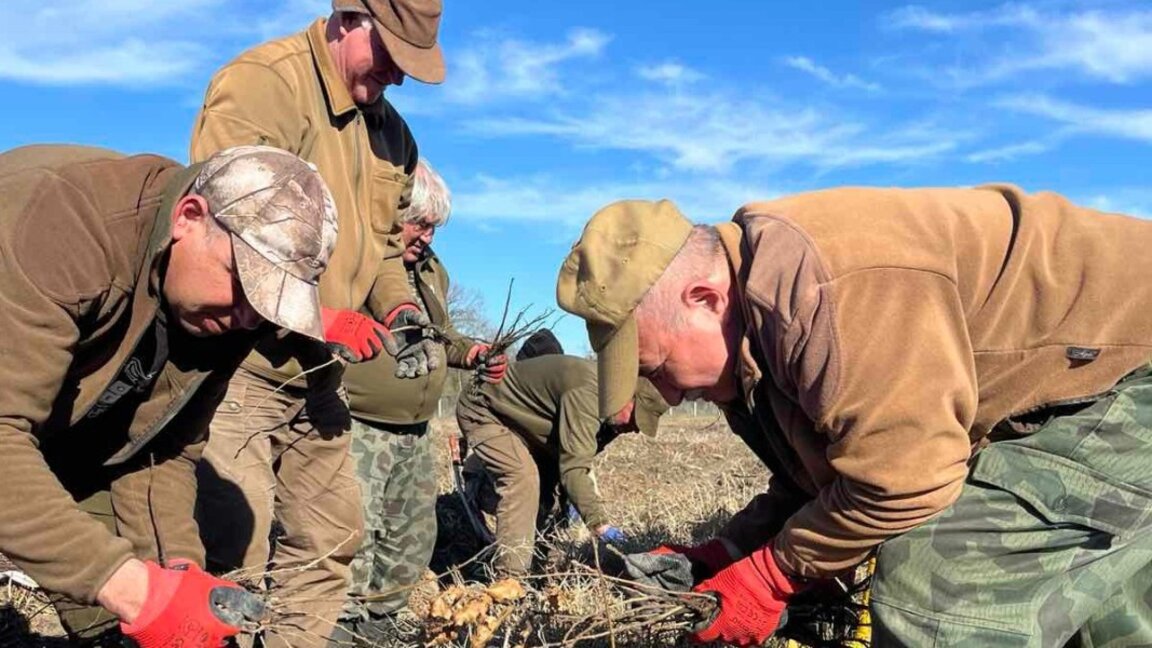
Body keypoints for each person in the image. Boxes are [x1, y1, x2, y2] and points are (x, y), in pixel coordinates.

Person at [557, 188, 1152, 647]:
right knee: (1091, 597)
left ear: (706, 299)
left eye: (656, 366)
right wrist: (732, 551)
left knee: (937, 585)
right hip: (1080, 390)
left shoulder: (821, 288)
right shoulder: (758, 338)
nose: (667, 392)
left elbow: (905, 480)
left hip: (1130, 368)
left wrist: (771, 577)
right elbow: (831, 473)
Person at [0, 143, 340, 647]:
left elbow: (164, 448)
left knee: (120, 626)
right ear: (189, 217)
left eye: (268, 304)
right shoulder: (63, 220)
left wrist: (178, 573)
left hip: (62, 440)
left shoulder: (223, 313)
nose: (249, 317)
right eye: (245, 284)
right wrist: (135, 591)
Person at [189, 1, 445, 644]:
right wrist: (321, 316)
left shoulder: (394, 136)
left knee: (330, 541)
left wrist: (402, 311)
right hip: (239, 366)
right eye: (390, 55)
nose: (397, 76)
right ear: (348, 18)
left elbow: (383, 250)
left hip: (321, 376)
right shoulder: (265, 84)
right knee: (233, 547)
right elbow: (223, 231)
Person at [336, 159, 507, 639]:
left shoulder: (433, 272)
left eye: (435, 227)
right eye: (420, 223)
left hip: (416, 429)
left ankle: (380, 628)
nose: (428, 236)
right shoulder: (357, 258)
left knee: (410, 537)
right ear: (393, 215)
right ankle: (339, 628)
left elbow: (439, 335)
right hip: (358, 422)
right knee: (353, 534)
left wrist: (471, 352)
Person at [456, 354, 669, 576]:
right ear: (624, 396)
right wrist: (600, 524)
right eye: (635, 418)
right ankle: (510, 578)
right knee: (522, 479)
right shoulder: (588, 393)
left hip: (530, 429)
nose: (635, 428)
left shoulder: (612, 416)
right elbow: (573, 470)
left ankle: (540, 570)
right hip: (484, 408)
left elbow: (572, 462)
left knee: (551, 493)